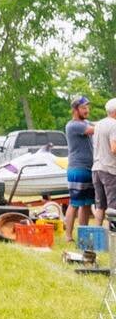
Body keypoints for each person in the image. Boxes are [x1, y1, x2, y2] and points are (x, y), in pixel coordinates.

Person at [66, 96, 97, 243]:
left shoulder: (84, 122)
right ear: (75, 110)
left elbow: (97, 124)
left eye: (87, 107)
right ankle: (68, 236)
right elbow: (95, 129)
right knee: (74, 203)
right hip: (77, 169)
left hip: (88, 168)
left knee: (86, 204)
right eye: (84, 108)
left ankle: (83, 236)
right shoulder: (74, 125)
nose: (87, 110)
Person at [94, 98, 116, 227]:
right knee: (113, 207)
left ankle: (98, 235)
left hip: (96, 168)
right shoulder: (114, 124)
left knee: (100, 206)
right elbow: (114, 148)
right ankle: (113, 237)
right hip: (109, 169)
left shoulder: (99, 124)